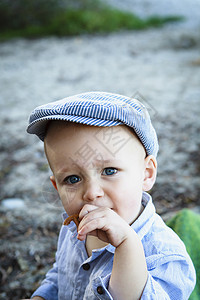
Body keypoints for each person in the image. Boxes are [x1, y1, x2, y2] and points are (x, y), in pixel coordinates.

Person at [26, 91, 196, 300]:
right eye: (72, 179)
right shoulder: (73, 229)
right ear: (56, 187)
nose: (91, 193)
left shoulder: (165, 256)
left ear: (146, 173)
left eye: (109, 171)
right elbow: (62, 275)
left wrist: (127, 244)